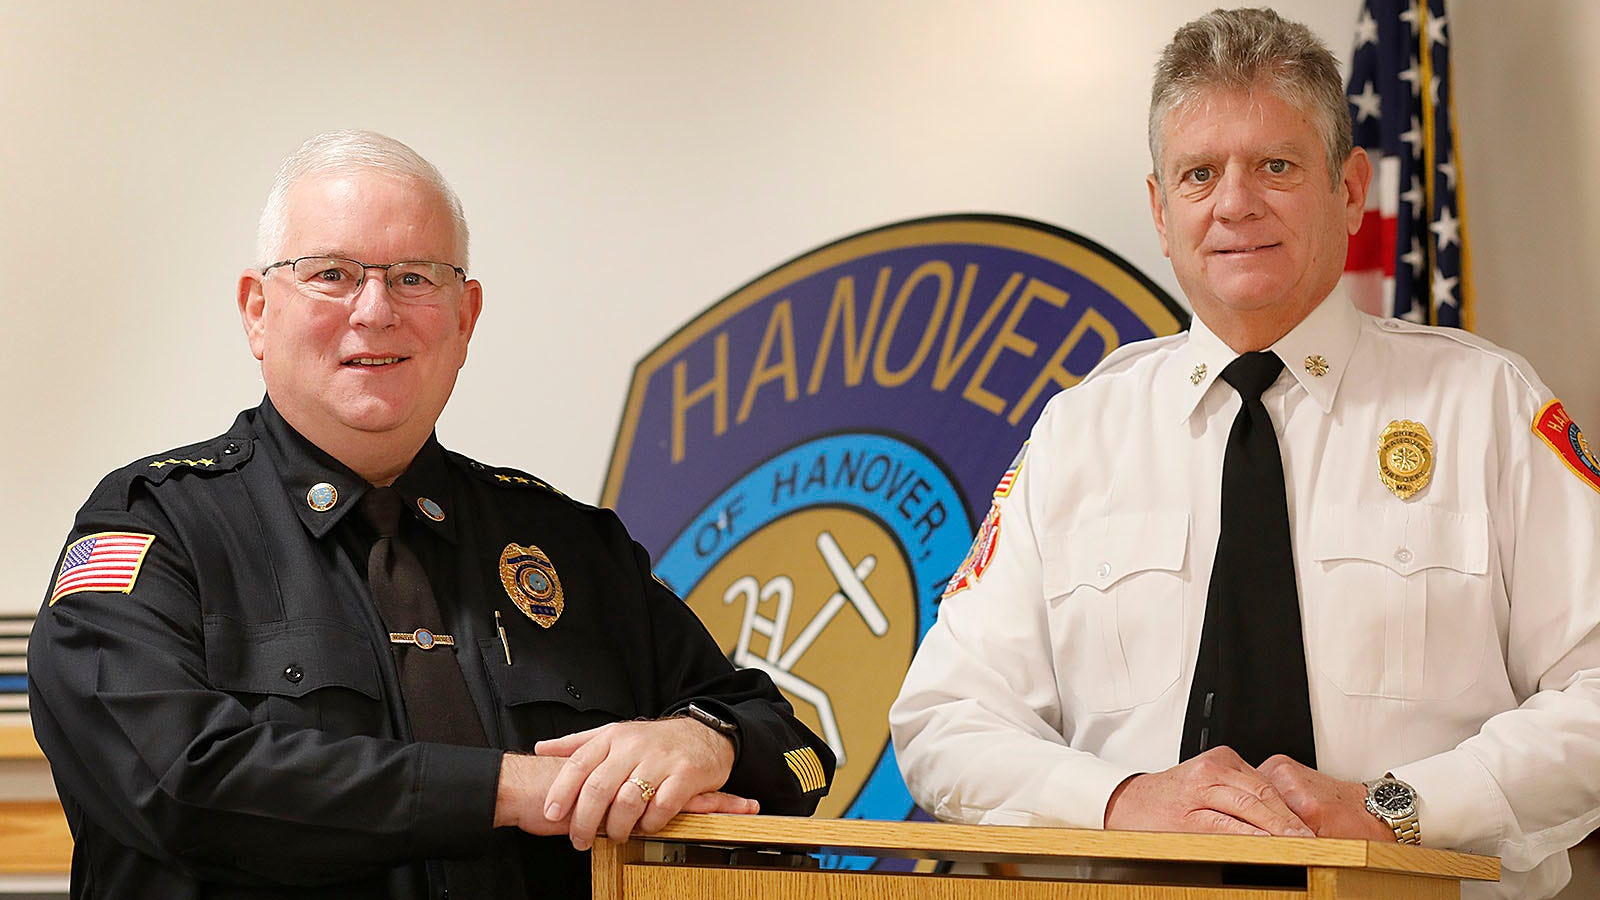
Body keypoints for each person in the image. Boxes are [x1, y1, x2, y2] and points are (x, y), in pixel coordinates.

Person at [890, 9, 1600, 899]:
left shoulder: (1486, 408)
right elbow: (944, 721)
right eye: (1199, 173)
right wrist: (1120, 800)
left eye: (1275, 165)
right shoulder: (1079, 434)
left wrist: (1398, 808)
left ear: (1350, 189)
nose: (1235, 204)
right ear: (1159, 208)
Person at [29, 130, 834, 899]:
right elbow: (176, 781)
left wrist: (703, 742)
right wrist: (516, 788)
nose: (375, 310)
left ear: (465, 316)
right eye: (331, 274)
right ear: (257, 311)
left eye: (415, 277)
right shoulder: (156, 528)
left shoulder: (567, 544)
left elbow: (796, 753)